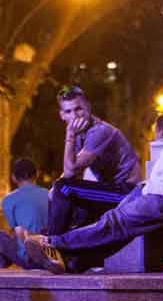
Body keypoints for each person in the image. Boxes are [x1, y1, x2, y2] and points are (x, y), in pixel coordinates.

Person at [25, 70, 163, 274]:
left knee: (113, 222)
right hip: (148, 189)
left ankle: (52, 243)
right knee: (115, 231)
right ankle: (72, 263)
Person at [46, 85, 140, 238]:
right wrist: (55, 188)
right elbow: (70, 173)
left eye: (79, 109)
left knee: (64, 189)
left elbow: (70, 171)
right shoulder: (79, 134)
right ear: (62, 115)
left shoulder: (100, 131)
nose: (75, 115)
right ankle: (53, 249)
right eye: (69, 111)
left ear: (88, 107)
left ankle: (51, 244)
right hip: (108, 190)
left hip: (126, 193)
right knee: (63, 194)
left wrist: (69, 134)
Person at [0, 158, 49, 269]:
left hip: (27, 258)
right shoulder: (49, 194)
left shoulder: (8, 200)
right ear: (37, 174)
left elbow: (16, 232)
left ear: (13, 177)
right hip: (48, 255)